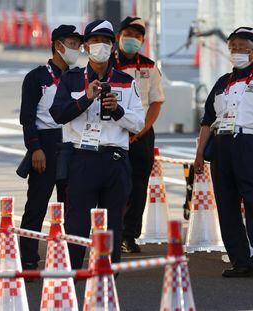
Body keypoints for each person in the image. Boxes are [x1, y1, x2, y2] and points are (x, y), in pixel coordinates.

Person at [194, 27, 253, 279]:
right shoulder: (222, 82)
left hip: (250, 143)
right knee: (226, 204)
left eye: (242, 48)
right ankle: (240, 260)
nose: (236, 52)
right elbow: (207, 121)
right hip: (221, 144)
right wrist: (199, 153)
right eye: (233, 47)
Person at [50, 20, 145, 269]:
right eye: (94, 41)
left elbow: (138, 124)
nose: (99, 46)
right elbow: (58, 114)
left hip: (114, 159)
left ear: (112, 46)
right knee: (77, 221)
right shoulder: (71, 79)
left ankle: (106, 273)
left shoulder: (125, 80)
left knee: (113, 221)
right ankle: (71, 272)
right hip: (82, 157)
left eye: (105, 41)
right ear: (86, 46)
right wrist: (86, 98)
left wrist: (118, 110)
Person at [18, 25, 83, 271]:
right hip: (45, 145)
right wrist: (34, 148)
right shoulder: (37, 77)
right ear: (58, 45)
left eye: (78, 44)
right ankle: (28, 259)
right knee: (36, 205)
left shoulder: (79, 77)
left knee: (72, 206)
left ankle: (67, 258)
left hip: (72, 145)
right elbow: (27, 116)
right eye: (72, 43)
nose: (77, 49)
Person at [112, 16, 165, 253]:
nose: (132, 39)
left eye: (137, 36)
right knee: (113, 185)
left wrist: (141, 130)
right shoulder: (107, 65)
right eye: (128, 35)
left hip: (141, 135)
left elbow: (156, 102)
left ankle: (129, 235)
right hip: (113, 132)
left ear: (143, 40)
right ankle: (108, 232)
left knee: (138, 185)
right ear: (118, 37)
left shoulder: (150, 66)